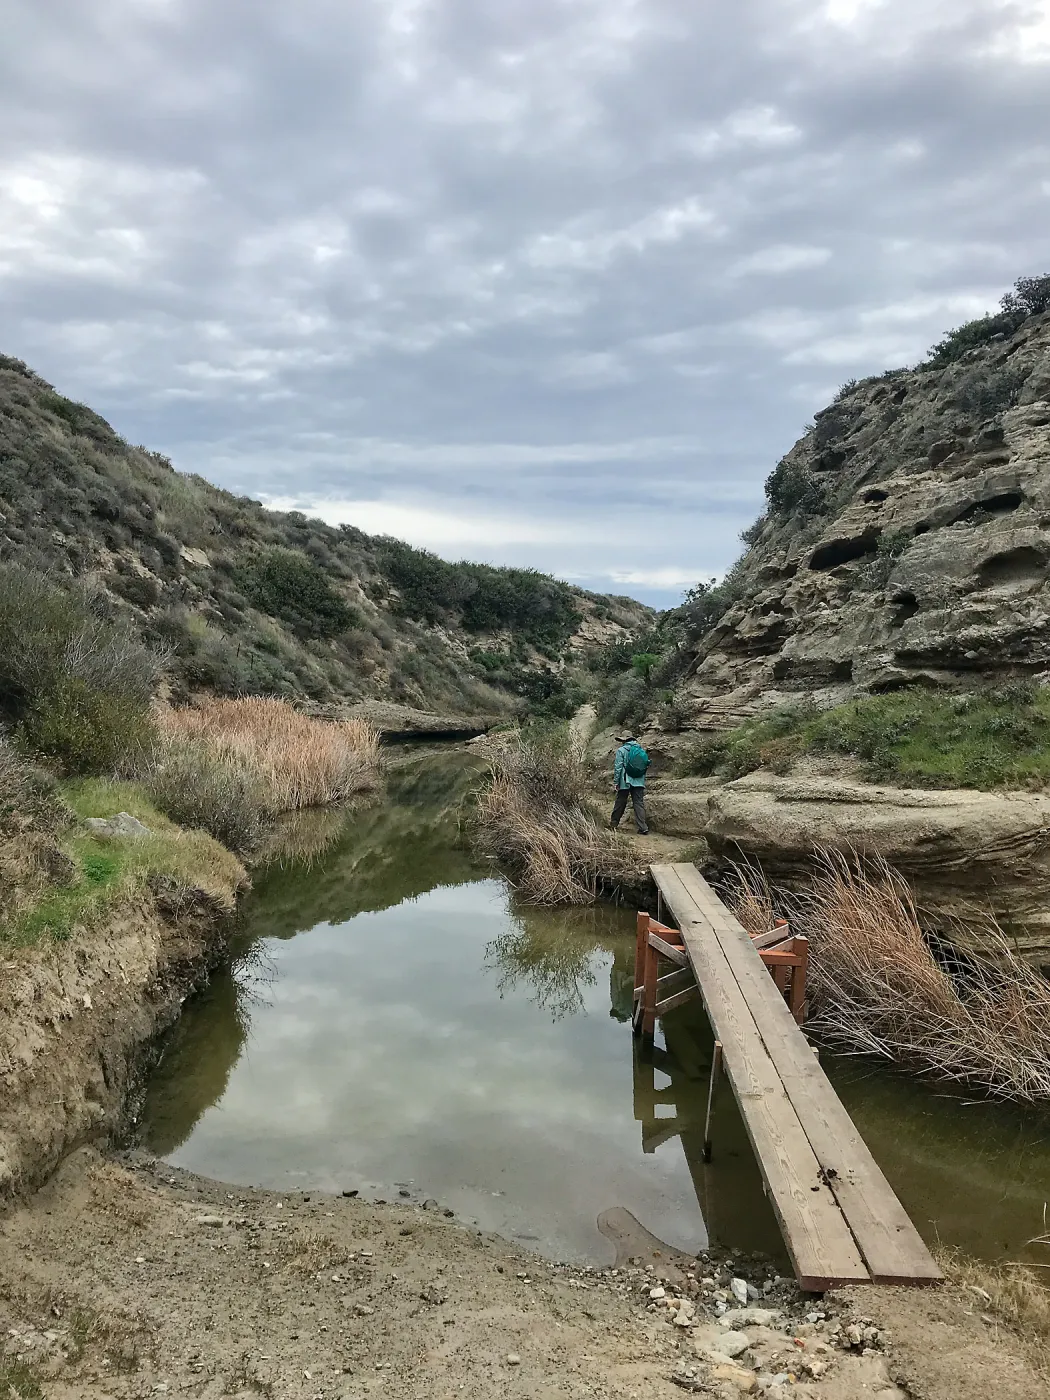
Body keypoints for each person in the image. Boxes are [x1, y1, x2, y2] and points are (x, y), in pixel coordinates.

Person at [611, 733, 650, 834]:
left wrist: (616, 782)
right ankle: (643, 827)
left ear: (624, 741)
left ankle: (614, 824)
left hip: (625, 781)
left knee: (620, 802)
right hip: (639, 781)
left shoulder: (621, 750)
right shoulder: (641, 750)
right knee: (638, 803)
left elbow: (618, 767)